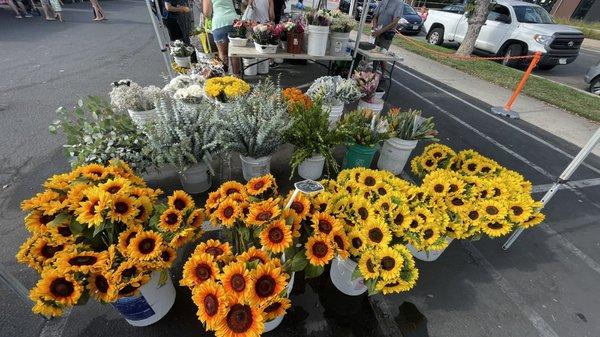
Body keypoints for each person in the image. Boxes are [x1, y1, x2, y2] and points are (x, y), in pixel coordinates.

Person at [203, 0, 240, 75]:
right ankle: (237, 78)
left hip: (219, 23)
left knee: (223, 54)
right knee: (234, 53)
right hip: (234, 21)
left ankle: (224, 79)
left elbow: (207, 13)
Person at [371, 0, 404, 78]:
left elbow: (395, 21)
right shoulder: (383, 1)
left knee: (382, 53)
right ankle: (374, 72)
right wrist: (375, 28)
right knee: (374, 52)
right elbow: (375, 16)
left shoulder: (399, 3)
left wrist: (381, 31)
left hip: (387, 34)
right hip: (377, 32)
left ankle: (383, 74)